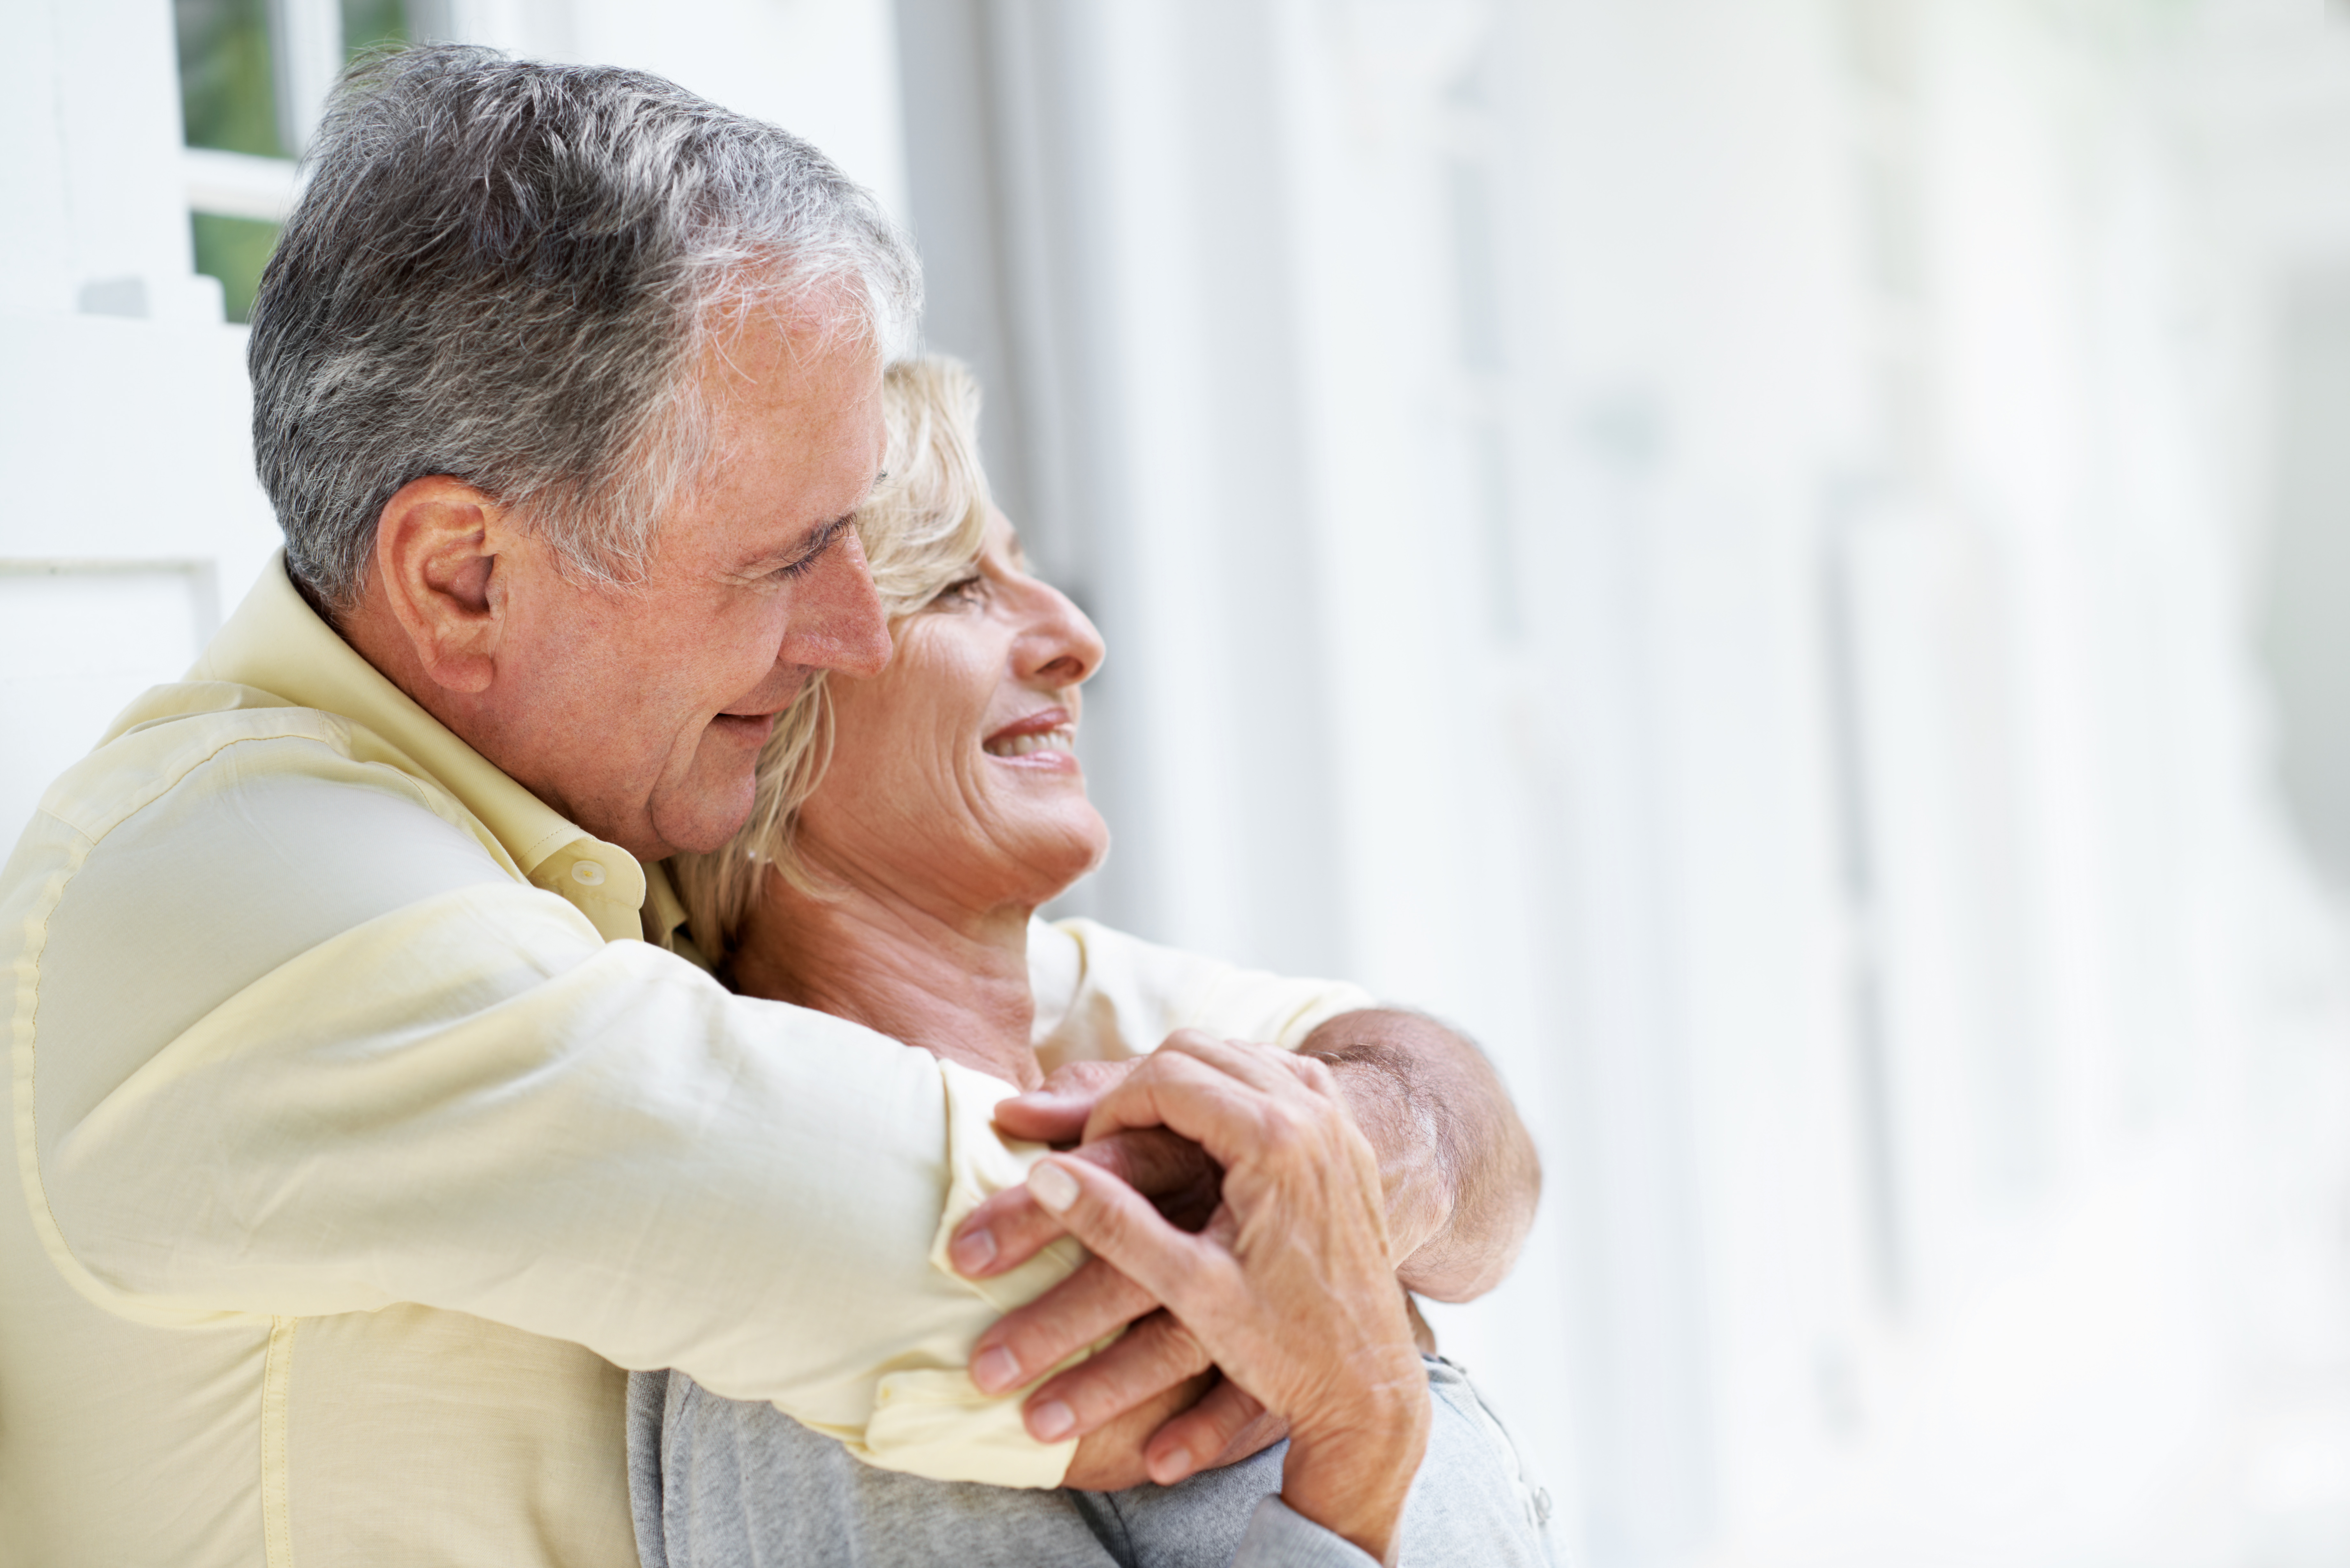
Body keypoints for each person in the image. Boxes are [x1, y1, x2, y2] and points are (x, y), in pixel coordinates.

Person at [0, 46, 1540, 1567]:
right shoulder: (248, 898)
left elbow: (1443, 1106)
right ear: (463, 575)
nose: (851, 635)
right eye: (787, 555)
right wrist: (1320, 1273)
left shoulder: (641, 859)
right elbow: (1004, 1289)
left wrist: (1364, 1141)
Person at [631, 357, 1554, 1567]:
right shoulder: (820, 1286)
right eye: (959, 585)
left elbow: (1475, 1146)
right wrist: (1362, 1443)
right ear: (768, 715)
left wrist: (1362, 1161)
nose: (1076, 639)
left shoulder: (1117, 1089)